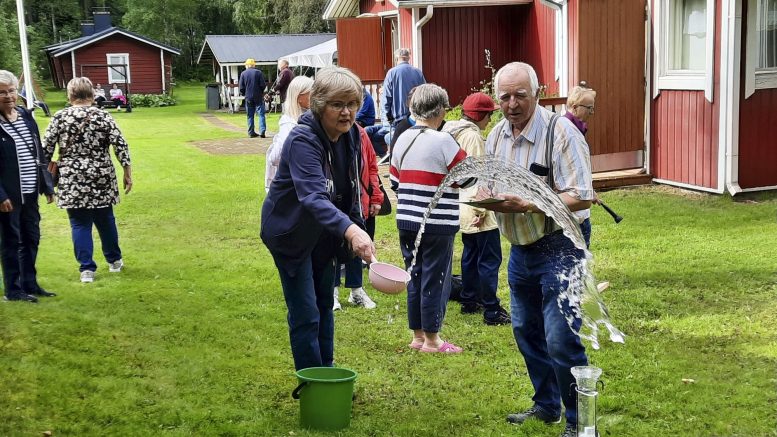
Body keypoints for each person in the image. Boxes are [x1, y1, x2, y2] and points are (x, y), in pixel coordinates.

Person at [480, 62, 594, 437]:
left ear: (538, 94)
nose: (512, 104)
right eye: (505, 97)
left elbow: (580, 195)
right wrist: (484, 196)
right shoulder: (496, 135)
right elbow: (489, 182)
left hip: (561, 245)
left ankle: (580, 423)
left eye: (520, 96)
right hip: (521, 248)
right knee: (526, 330)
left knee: (561, 337)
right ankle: (547, 407)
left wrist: (530, 203)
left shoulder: (560, 131)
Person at [260, 66, 375, 371]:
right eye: (338, 104)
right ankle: (313, 384)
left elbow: (349, 187)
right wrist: (350, 231)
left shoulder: (350, 135)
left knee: (325, 303)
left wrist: (357, 228)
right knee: (306, 312)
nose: (346, 112)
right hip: (291, 234)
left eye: (352, 104)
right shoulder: (302, 139)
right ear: (319, 104)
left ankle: (327, 371)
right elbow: (312, 196)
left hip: (324, 233)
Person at [389, 83, 473, 354]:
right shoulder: (444, 140)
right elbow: (468, 177)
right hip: (436, 222)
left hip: (407, 220)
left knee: (414, 275)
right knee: (436, 278)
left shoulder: (401, 137)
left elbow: (394, 180)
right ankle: (434, 340)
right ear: (441, 110)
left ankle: (417, 336)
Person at [43, 77, 132, 284]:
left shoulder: (60, 117)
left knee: (79, 223)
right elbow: (120, 144)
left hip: (72, 177)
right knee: (105, 220)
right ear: (92, 95)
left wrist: (45, 178)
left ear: (70, 95)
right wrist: (127, 171)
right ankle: (114, 260)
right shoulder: (103, 116)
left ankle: (86, 270)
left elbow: (45, 149)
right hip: (101, 175)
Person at [442, 92, 510, 326]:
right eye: (488, 115)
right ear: (480, 116)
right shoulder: (473, 138)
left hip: (460, 206)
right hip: (476, 208)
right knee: (489, 260)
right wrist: (482, 211)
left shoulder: (450, 132)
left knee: (470, 257)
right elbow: (479, 177)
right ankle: (491, 309)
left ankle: (470, 301)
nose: (490, 120)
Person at [0, 70, 56, 303]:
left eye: (11, 90)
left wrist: (47, 184)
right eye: (2, 92)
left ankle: (29, 284)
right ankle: (12, 290)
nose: (8, 96)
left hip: (30, 191)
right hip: (8, 196)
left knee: (31, 237)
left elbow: (38, 153)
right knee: (11, 241)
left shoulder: (25, 115)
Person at [333, 125, 382, 310]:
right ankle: (333, 292)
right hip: (334, 201)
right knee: (333, 245)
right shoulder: (326, 132)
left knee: (359, 246)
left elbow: (371, 165)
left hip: (358, 200)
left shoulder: (360, 133)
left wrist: (376, 197)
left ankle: (356, 290)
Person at [264, 76, 314, 193]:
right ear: (299, 97)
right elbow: (275, 157)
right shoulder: (289, 124)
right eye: (311, 93)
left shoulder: (310, 119)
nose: (315, 97)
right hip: (293, 186)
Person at [564, 82, 598, 247]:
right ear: (575, 107)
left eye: (593, 108)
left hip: (579, 212)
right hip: (573, 215)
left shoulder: (576, 129)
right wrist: (584, 192)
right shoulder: (567, 132)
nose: (592, 113)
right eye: (589, 108)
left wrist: (588, 189)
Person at [381, 48, 425, 128]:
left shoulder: (391, 73)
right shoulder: (418, 72)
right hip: (416, 118)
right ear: (408, 58)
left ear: (396, 58)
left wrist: (385, 119)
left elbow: (387, 98)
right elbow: (425, 94)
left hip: (398, 119)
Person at [239, 58, 267, 138]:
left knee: (250, 115)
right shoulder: (258, 73)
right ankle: (262, 131)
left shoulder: (243, 74)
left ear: (247, 65)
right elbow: (263, 85)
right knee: (261, 114)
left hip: (248, 97)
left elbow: (241, 87)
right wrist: (260, 92)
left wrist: (245, 93)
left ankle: (251, 132)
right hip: (258, 97)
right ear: (254, 65)